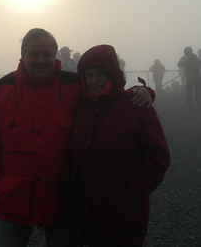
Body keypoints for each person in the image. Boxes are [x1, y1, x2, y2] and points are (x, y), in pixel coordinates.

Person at [0, 28, 152, 247]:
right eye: (34, 54)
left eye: (47, 54)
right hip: (13, 200)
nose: (41, 60)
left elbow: (109, 96)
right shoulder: (0, 91)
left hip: (62, 200)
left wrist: (140, 91)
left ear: (55, 55)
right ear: (22, 56)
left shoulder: (75, 86)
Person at [69, 44, 170, 247]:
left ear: (113, 74)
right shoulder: (77, 106)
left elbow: (158, 155)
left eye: (101, 74)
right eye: (89, 75)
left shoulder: (136, 105)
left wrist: (132, 191)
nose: (95, 80)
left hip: (123, 213)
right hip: (83, 211)